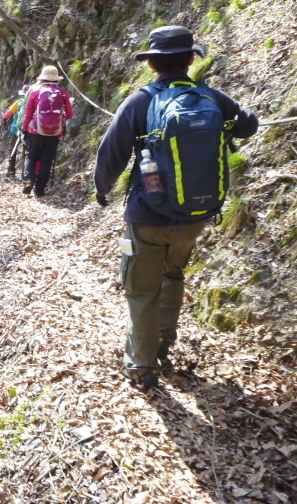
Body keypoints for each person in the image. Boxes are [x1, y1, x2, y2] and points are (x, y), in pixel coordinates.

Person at [93, 25, 259, 391]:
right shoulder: (211, 97)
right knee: (173, 275)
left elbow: (112, 152)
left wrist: (101, 189)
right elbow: (248, 126)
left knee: (140, 288)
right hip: (196, 216)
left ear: (151, 63)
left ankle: (141, 365)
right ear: (190, 59)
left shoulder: (140, 101)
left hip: (147, 215)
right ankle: (164, 345)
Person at [20, 65, 72, 197]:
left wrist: (25, 129)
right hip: (54, 133)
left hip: (35, 131)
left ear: (42, 79)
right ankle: (40, 190)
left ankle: (29, 181)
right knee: (46, 161)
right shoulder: (63, 93)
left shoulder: (35, 92)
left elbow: (28, 113)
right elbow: (70, 115)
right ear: (56, 80)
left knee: (32, 156)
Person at [1, 84, 30, 176]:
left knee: (13, 149)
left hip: (16, 129)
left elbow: (6, 115)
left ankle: (11, 170)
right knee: (27, 152)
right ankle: (24, 173)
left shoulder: (18, 102)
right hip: (29, 130)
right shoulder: (33, 103)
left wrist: (3, 116)